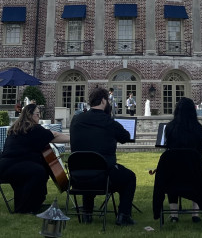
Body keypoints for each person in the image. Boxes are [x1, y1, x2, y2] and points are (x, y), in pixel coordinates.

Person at [70, 87, 136, 226]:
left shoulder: (76, 120)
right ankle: (123, 215)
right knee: (130, 177)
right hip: (104, 177)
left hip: (78, 178)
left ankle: (87, 213)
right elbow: (125, 137)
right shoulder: (109, 122)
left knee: (88, 165)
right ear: (103, 101)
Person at [163, 97, 202, 228]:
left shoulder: (169, 127)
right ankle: (195, 214)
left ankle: (174, 215)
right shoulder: (197, 128)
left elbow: (167, 150)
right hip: (193, 174)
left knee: (172, 173)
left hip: (173, 175)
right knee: (197, 174)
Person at [0, 104, 70, 214]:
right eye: (37, 114)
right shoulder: (34, 128)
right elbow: (54, 135)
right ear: (30, 115)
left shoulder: (15, 128)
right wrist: (73, 139)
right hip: (15, 167)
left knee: (37, 168)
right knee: (39, 171)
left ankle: (34, 203)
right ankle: (26, 208)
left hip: (4, 167)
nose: (39, 116)